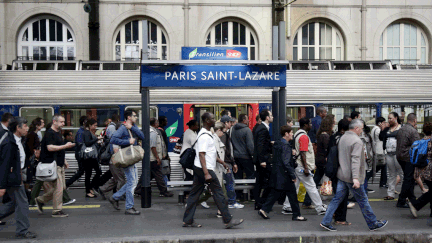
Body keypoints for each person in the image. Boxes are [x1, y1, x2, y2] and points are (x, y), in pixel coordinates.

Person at [320, 119, 388, 232]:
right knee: (363, 200)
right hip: (352, 177)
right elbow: (355, 160)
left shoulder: (343, 138)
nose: (361, 131)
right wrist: (356, 178)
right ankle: (373, 223)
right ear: (356, 128)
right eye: (361, 128)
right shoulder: (357, 141)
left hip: (342, 175)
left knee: (336, 199)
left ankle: (326, 221)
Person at [182, 112, 243, 229]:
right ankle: (227, 220)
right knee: (219, 193)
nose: (215, 120)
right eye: (212, 118)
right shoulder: (204, 136)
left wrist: (223, 163)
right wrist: (206, 173)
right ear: (206, 121)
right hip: (205, 169)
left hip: (200, 168)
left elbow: (211, 154)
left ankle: (188, 220)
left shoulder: (207, 134)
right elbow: (201, 155)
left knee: (194, 195)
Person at [258, 125, 307, 221]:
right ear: (286, 134)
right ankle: (296, 215)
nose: (292, 134)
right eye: (291, 132)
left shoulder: (278, 143)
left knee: (275, 193)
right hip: (285, 174)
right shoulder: (286, 145)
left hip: (277, 173)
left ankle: (264, 209)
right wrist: (292, 175)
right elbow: (286, 162)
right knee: (292, 195)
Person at [0, 117, 37, 239]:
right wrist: (2, 186)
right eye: (25, 126)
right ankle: (22, 231)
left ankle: (22, 230)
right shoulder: (9, 143)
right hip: (13, 178)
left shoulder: (18, 140)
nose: (27, 128)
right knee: (22, 204)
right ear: (18, 128)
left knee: (12, 204)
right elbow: (5, 165)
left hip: (16, 176)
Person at [282, 117, 327, 215]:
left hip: (298, 166)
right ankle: (320, 208)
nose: (311, 125)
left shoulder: (298, 134)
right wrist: (307, 168)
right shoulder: (303, 137)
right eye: (310, 123)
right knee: (312, 188)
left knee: (294, 187)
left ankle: (287, 206)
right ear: (306, 125)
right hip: (302, 167)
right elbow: (303, 153)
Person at [35, 115, 75, 218]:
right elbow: (50, 148)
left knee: (61, 187)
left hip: (59, 163)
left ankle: (40, 200)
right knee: (59, 188)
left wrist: (64, 160)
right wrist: (66, 146)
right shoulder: (49, 133)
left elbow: (59, 149)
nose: (63, 124)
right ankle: (57, 210)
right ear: (54, 122)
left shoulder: (57, 133)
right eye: (61, 122)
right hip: (53, 164)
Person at [107, 110, 145, 215]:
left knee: (132, 182)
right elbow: (113, 139)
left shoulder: (133, 126)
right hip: (127, 158)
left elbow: (142, 136)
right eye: (134, 116)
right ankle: (129, 207)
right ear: (129, 117)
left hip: (131, 158)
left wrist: (132, 128)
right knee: (132, 183)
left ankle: (115, 197)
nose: (136, 117)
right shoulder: (123, 128)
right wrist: (127, 142)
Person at [135, 118, 173, 197]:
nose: (158, 123)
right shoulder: (152, 132)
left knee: (147, 175)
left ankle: (138, 190)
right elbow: (153, 147)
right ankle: (164, 191)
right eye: (157, 122)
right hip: (152, 158)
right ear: (154, 123)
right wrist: (157, 158)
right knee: (158, 175)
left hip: (149, 158)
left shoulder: (151, 131)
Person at [303, 114, 334, 208]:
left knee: (315, 181)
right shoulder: (325, 136)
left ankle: (307, 201)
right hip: (324, 161)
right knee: (334, 180)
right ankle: (341, 200)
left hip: (320, 161)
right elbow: (327, 149)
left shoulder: (321, 134)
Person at [328, 119, 353, 226]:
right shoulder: (344, 139)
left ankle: (335, 214)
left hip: (333, 169)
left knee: (338, 194)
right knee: (343, 195)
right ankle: (340, 218)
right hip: (342, 170)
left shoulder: (333, 137)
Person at [406, 122, 432, 218]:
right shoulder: (430, 142)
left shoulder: (421, 141)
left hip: (422, 171)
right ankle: (415, 205)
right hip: (430, 171)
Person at [396, 113, 420, 208]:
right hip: (408, 157)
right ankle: (401, 201)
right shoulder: (413, 131)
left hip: (399, 156)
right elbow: (417, 145)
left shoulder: (401, 129)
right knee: (408, 179)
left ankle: (412, 199)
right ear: (414, 121)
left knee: (408, 178)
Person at [98, 117, 126, 200]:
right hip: (115, 161)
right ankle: (119, 195)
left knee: (117, 178)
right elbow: (116, 150)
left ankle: (103, 189)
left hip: (114, 161)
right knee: (121, 179)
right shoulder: (116, 137)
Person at [219, 119, 243, 209]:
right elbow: (227, 151)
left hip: (225, 162)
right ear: (225, 123)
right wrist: (232, 163)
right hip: (226, 162)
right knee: (230, 182)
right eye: (229, 122)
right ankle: (231, 201)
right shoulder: (224, 135)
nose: (231, 124)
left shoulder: (225, 134)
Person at [379, 112, 403, 201]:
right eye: (388, 118)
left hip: (398, 154)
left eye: (391, 118)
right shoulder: (387, 129)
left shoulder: (401, 128)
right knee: (392, 174)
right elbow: (381, 138)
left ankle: (405, 194)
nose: (389, 120)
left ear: (396, 118)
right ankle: (390, 194)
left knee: (402, 174)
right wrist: (382, 129)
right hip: (389, 153)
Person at [253, 109, 273, 210]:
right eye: (271, 115)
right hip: (263, 159)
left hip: (260, 159)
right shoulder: (263, 129)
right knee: (265, 181)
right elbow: (260, 145)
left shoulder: (261, 128)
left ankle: (259, 202)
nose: (272, 117)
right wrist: (262, 161)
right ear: (267, 118)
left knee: (260, 181)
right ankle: (261, 202)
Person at [82, 118, 103, 198]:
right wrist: (97, 139)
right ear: (90, 125)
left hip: (90, 157)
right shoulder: (87, 133)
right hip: (89, 157)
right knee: (93, 173)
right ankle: (89, 190)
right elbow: (87, 143)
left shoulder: (89, 132)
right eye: (94, 125)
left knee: (90, 173)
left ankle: (90, 188)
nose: (96, 127)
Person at [66, 116, 88, 188]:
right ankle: (67, 183)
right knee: (82, 171)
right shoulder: (81, 132)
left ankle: (67, 183)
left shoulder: (82, 131)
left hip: (81, 153)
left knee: (82, 171)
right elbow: (79, 143)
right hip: (81, 154)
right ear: (84, 122)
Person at [231, 114, 254, 180]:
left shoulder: (233, 129)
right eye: (247, 119)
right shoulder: (247, 130)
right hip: (246, 157)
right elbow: (250, 145)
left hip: (235, 157)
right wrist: (252, 155)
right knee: (250, 176)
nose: (248, 120)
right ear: (244, 120)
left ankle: (238, 190)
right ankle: (249, 190)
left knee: (238, 177)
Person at [370, 117, 388, 189]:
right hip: (379, 151)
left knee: (383, 167)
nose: (384, 124)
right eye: (383, 122)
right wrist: (383, 129)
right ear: (380, 123)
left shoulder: (374, 129)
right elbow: (381, 137)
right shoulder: (377, 130)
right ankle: (367, 177)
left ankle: (383, 183)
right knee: (378, 168)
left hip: (378, 150)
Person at [158, 116, 171, 181]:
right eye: (166, 121)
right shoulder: (161, 131)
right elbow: (163, 145)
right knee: (165, 170)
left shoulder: (160, 130)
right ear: (162, 122)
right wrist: (166, 155)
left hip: (163, 154)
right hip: (163, 155)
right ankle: (167, 185)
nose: (167, 122)